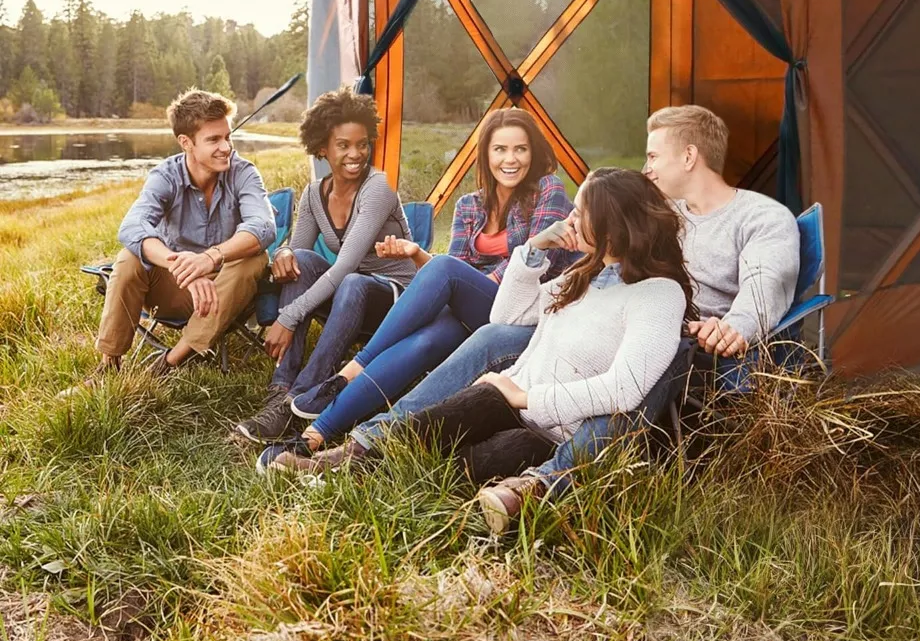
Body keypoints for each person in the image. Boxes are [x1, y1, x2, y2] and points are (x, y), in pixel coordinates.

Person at [276, 105, 800, 533]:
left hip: (695, 348)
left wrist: (732, 325)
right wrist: (538, 251)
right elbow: (561, 288)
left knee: (494, 340)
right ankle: (357, 444)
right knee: (490, 335)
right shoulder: (649, 223)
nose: (647, 168)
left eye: (653, 155)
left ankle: (533, 481)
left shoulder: (758, 218)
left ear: (689, 155)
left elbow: (761, 289)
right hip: (585, 344)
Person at [267, 167, 696, 483]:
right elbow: (505, 317)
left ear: (615, 224)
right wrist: (532, 248)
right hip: (505, 402)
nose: (569, 221)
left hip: (547, 429)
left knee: (460, 469)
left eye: (581, 213)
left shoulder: (657, 294)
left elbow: (625, 388)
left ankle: (350, 460)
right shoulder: (583, 275)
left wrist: (527, 396)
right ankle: (345, 457)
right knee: (430, 431)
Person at [253, 107, 576, 467]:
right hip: (474, 306)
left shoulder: (550, 191)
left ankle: (349, 372)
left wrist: (450, 274)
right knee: (423, 341)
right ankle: (315, 435)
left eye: (520, 149)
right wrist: (417, 255)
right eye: (500, 149)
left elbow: (525, 265)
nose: (510, 159)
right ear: (485, 154)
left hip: (520, 308)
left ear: (534, 153)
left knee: (442, 269)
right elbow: (455, 271)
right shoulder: (470, 205)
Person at [58, 89, 276, 394]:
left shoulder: (243, 173)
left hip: (228, 292)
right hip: (176, 287)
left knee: (254, 257)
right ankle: (109, 364)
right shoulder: (165, 176)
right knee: (129, 258)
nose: (226, 147)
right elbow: (132, 226)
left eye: (227, 137)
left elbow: (264, 226)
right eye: (214, 140)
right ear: (186, 142)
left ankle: (172, 360)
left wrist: (210, 258)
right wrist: (181, 265)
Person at [234, 87, 418, 443]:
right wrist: (283, 254)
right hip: (354, 294)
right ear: (322, 147)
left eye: (362, 144)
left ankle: (302, 398)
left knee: (351, 280)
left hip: (398, 301)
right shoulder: (314, 193)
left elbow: (345, 264)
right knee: (301, 261)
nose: (356, 154)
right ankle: (282, 387)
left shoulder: (378, 187)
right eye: (343, 145)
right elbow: (298, 253)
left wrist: (287, 318)